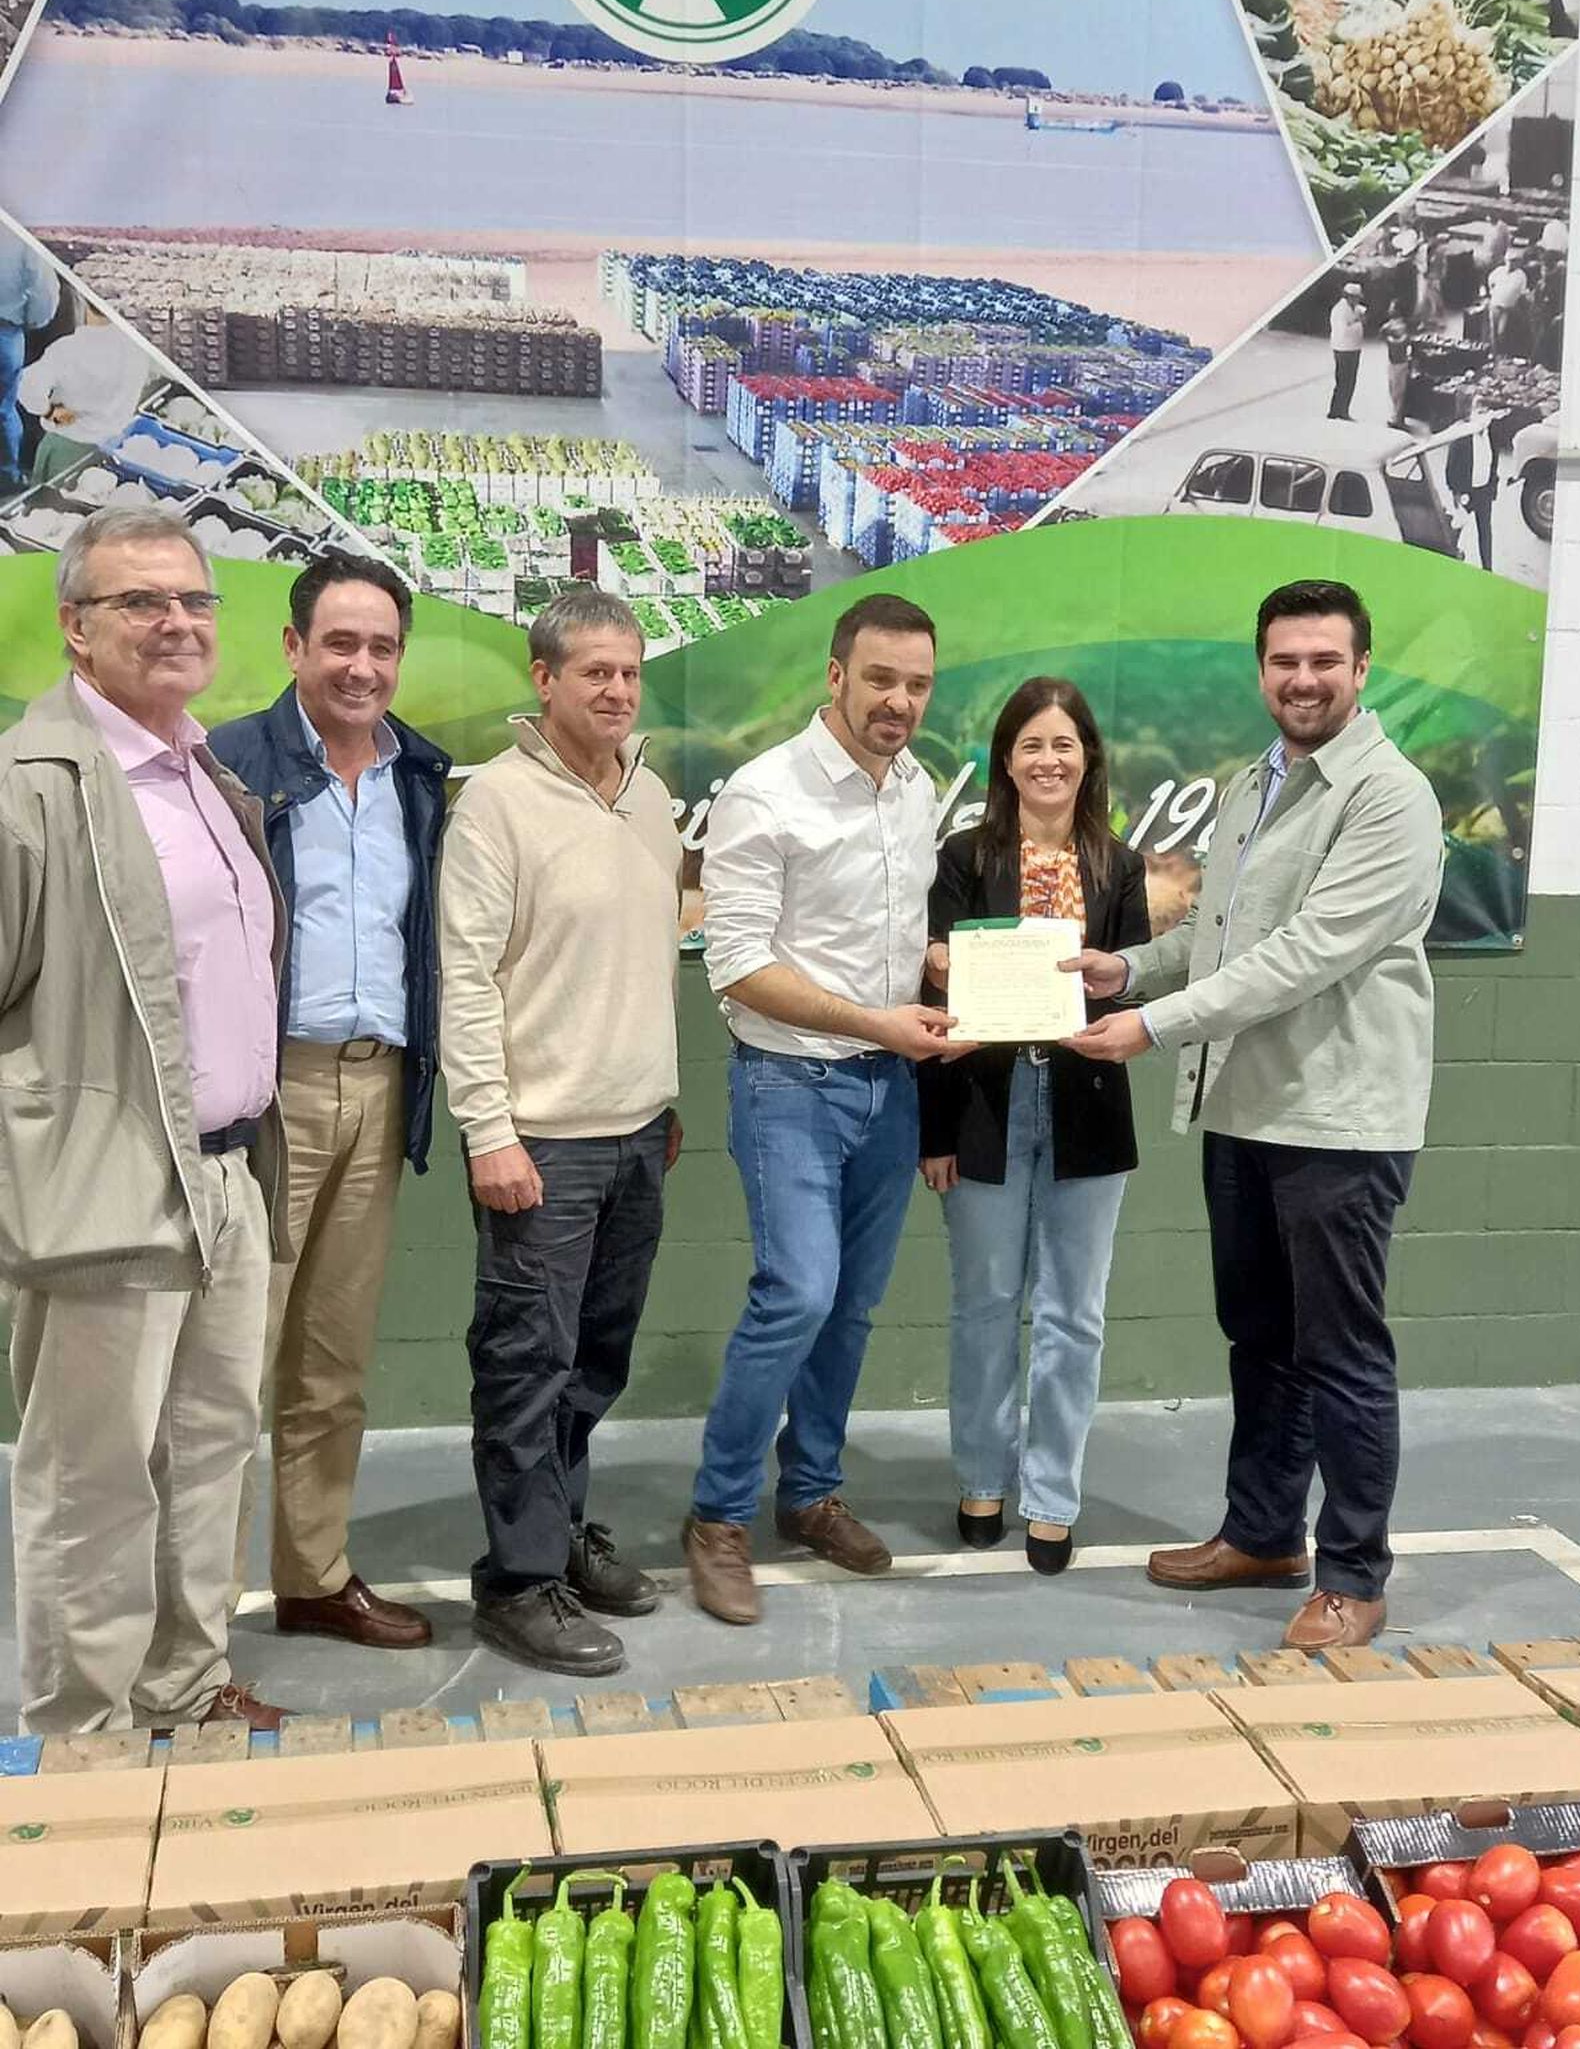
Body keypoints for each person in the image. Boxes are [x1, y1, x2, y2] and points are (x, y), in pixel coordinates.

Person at [1064, 579, 1443, 1654]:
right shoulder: (1253, 784)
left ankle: (1355, 1574)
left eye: (1325, 661)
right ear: (1261, 668)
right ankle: (1264, 1533)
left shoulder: (1388, 796)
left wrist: (1152, 1028)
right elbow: (1220, 934)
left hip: (1339, 1120)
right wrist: (1123, 970)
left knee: (1342, 1351)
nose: (1303, 679)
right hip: (1245, 1107)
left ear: (1360, 670)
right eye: (1284, 661)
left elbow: (1307, 953)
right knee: (1260, 1338)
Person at [0, 504, 290, 1733]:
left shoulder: (200, 772)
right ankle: (81, 1734)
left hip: (224, 1178)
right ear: (74, 628)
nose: (175, 622)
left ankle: (182, 1680)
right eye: (139, 602)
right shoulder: (32, 789)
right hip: (106, 1188)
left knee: (210, 1452)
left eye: (193, 600)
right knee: (92, 1483)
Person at [682, 593, 955, 1628]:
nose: (898, 702)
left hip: (886, 1091)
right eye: (879, 679)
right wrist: (880, 1023)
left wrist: (935, 974)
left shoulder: (914, 788)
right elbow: (738, 963)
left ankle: (810, 1495)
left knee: (850, 1307)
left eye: (917, 685)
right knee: (796, 1292)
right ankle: (716, 1516)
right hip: (787, 1083)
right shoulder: (764, 792)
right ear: (834, 675)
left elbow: (892, 935)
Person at [209, 553, 450, 1650]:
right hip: (270, 1092)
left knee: (332, 1360)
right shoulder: (227, 766)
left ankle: (312, 1575)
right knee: (225, 1365)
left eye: (382, 646)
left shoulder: (420, 778)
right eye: (340, 643)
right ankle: (192, 1623)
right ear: (295, 648)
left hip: (380, 1079)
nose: (362, 666)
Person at [439, 587, 682, 1676]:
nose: (618, 691)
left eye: (629, 672)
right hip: (540, 1142)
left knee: (594, 1361)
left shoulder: (652, 797)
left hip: (637, 1136)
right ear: (543, 680)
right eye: (595, 672)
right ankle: (518, 1580)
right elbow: (466, 980)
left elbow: (640, 966)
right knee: (525, 1364)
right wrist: (488, 1133)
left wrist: (662, 1102)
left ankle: (563, 1537)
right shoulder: (496, 804)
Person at [919, 678, 1149, 1572]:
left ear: (1086, 756)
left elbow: (1138, 984)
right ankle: (982, 1474)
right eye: (1030, 745)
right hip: (983, 1105)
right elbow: (931, 1004)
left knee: (1073, 1316)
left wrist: (1112, 987)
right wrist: (935, 1133)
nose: (1048, 760)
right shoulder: (964, 859)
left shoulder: (1119, 864)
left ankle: (1053, 1493)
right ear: (1005, 761)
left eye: (1065, 744)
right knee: (983, 1305)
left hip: (1087, 1106)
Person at [17, 301, 150, 485]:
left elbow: (27, 387)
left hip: (66, 448)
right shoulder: (138, 347)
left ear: (82, 302)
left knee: (47, 507)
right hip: (117, 448)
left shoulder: (67, 349)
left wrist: (50, 411)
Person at [0, 232, 59, 494]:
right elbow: (43, 292)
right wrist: (33, 321)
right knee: (3, 410)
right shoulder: (18, 234)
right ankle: (7, 477)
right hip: (5, 331)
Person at [1444, 393, 1503, 571]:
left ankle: (1488, 569)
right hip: (1466, 493)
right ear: (1469, 414)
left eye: (1486, 412)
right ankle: (1448, 560)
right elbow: (1451, 468)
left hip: (1484, 491)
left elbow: (1494, 463)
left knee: (1485, 532)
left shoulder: (1492, 435)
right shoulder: (1462, 437)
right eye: (1478, 412)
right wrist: (1457, 493)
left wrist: (1492, 487)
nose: (1483, 417)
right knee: (1456, 528)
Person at [1327, 284, 1366, 421]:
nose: (1357, 301)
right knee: (1343, 380)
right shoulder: (1340, 310)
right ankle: (1335, 410)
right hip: (1343, 348)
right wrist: (1358, 322)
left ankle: (1343, 409)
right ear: (1349, 297)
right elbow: (1343, 331)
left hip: (1354, 347)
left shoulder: (1354, 309)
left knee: (1350, 381)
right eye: (1355, 298)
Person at [1382, 315, 1413, 430]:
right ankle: (1396, 416)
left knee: (1398, 393)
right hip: (1392, 365)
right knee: (1393, 391)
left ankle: (1398, 419)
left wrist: (1389, 327)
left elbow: (1394, 339)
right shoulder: (1394, 336)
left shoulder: (1403, 338)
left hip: (1400, 365)